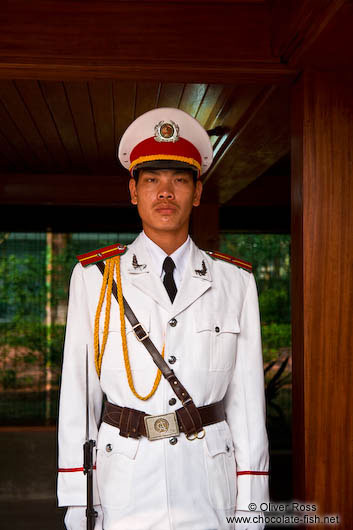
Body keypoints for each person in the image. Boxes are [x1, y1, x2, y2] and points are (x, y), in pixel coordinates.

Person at [58, 107, 269, 530]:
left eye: (179, 180)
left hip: (209, 482)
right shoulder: (94, 278)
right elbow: (79, 399)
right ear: (133, 191)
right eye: (152, 180)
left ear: (197, 192)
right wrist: (80, 503)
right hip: (126, 482)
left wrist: (253, 509)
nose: (165, 192)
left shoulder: (234, 281)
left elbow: (247, 406)